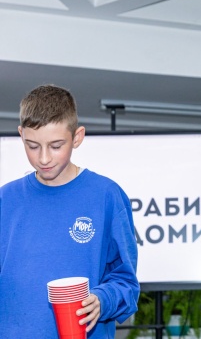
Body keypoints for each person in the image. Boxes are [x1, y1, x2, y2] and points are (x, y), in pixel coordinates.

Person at [0, 85, 140, 338]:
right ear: (21, 135)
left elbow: (127, 284)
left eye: (56, 146)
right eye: (32, 146)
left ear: (77, 137)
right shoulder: (5, 199)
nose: (44, 158)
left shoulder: (106, 196)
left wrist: (103, 300)